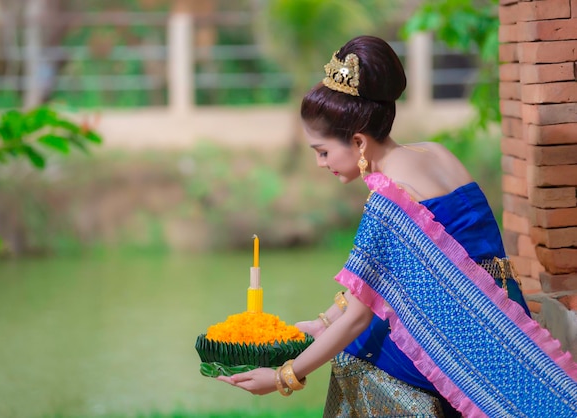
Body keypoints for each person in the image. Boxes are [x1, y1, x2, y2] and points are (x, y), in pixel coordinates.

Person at [217, 35, 577, 417]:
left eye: (323, 152)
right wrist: (322, 322)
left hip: (469, 338)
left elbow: (358, 315)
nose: (321, 164)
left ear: (357, 142)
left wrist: (282, 377)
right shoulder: (436, 152)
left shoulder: (390, 202)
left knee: (354, 355)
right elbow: (385, 277)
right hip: (506, 312)